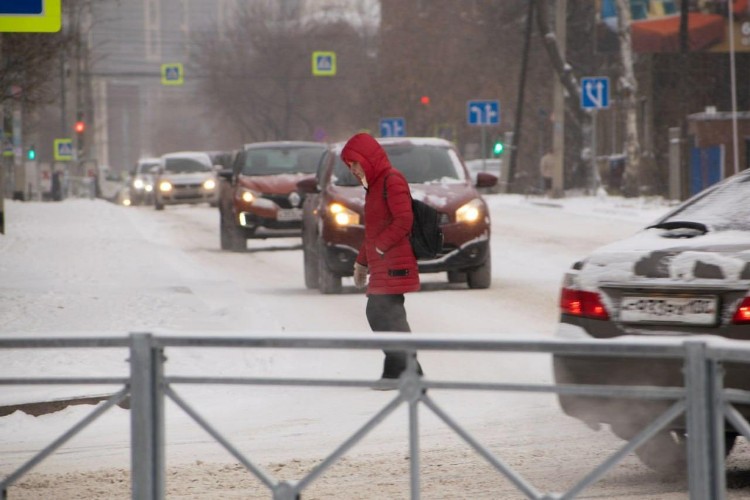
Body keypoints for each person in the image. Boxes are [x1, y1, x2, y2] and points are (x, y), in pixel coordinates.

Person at [340, 132, 423, 383]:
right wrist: (361, 263)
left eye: (354, 163)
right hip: (382, 263)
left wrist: (380, 248)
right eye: (350, 165)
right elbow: (372, 232)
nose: (353, 169)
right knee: (384, 314)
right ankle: (399, 370)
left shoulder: (392, 180)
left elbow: (404, 220)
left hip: (395, 263)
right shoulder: (373, 186)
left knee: (384, 313)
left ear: (367, 159)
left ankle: (406, 370)